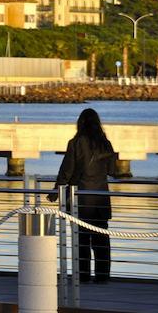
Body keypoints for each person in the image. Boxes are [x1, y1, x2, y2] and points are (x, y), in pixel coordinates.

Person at [47, 108, 117, 284]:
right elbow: (112, 170)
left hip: (80, 199)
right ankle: (103, 277)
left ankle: (83, 276)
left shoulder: (75, 143)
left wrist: (57, 190)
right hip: (100, 198)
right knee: (101, 239)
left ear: (80, 123)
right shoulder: (105, 143)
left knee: (81, 240)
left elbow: (67, 170)